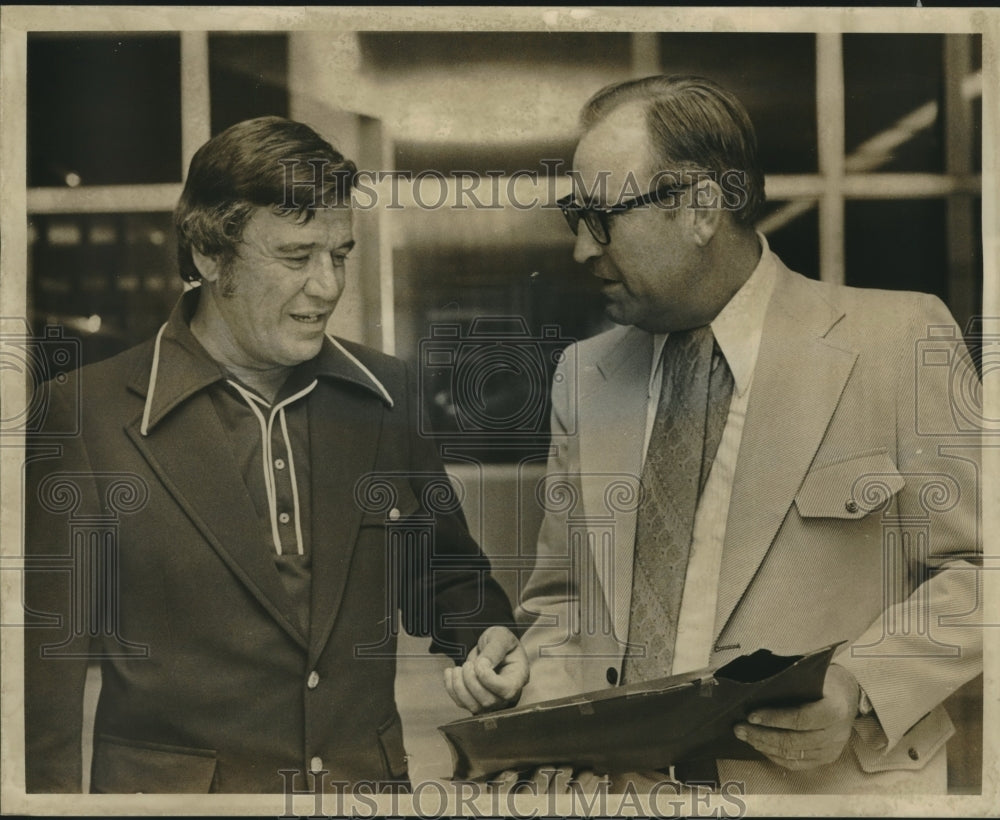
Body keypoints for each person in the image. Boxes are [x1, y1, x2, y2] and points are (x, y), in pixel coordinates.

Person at [23, 116, 527, 794]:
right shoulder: (83, 415)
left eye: (340, 255)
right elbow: (37, 694)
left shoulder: (386, 395)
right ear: (208, 255)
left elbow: (444, 575)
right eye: (296, 257)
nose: (327, 287)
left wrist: (486, 632)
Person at [515, 76, 982, 793]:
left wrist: (861, 684)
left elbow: (983, 572)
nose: (582, 250)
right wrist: (545, 720)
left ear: (701, 207)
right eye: (574, 218)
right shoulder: (585, 375)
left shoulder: (900, 340)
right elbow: (562, 602)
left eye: (601, 218)